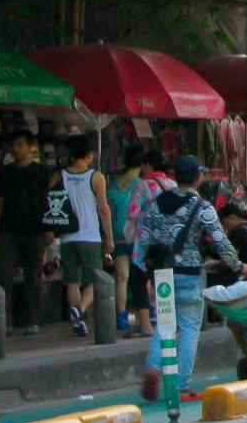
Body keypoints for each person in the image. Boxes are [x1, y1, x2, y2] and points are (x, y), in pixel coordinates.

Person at [134, 156, 243, 401]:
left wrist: (142, 270)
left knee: (163, 327)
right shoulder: (202, 206)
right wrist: (238, 265)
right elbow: (220, 240)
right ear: (197, 177)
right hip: (189, 274)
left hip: (162, 275)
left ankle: (153, 367)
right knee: (189, 329)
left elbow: (144, 239)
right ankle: (182, 387)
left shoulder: (155, 204)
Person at [0, 131, 51, 336]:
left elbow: (51, 202)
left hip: (35, 231)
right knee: (3, 274)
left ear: (31, 147)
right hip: (8, 230)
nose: (16, 149)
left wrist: (50, 228)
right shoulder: (4, 173)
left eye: (20, 144)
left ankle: (32, 320)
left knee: (33, 277)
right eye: (13, 145)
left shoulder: (42, 173)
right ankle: (4, 320)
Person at [55, 135, 112, 338]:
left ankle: (78, 322)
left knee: (72, 282)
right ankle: (79, 310)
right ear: (89, 155)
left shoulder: (60, 175)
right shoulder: (96, 177)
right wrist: (110, 238)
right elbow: (103, 209)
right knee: (96, 280)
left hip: (67, 236)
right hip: (89, 236)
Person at [122, 148, 171, 339]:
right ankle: (166, 322)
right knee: (163, 280)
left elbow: (132, 213)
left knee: (138, 281)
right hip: (168, 243)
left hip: (145, 244)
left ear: (148, 165)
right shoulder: (172, 184)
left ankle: (145, 325)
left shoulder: (142, 186)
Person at [107, 144, 141, 334]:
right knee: (142, 279)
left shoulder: (112, 182)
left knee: (121, 278)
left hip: (116, 236)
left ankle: (121, 317)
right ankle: (147, 314)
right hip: (136, 237)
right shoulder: (140, 184)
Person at [205, 204, 247, 289]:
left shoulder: (238, 232)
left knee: (205, 279)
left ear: (231, 218)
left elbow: (229, 257)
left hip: (243, 278)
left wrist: (213, 265)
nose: (224, 227)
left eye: (224, 223)